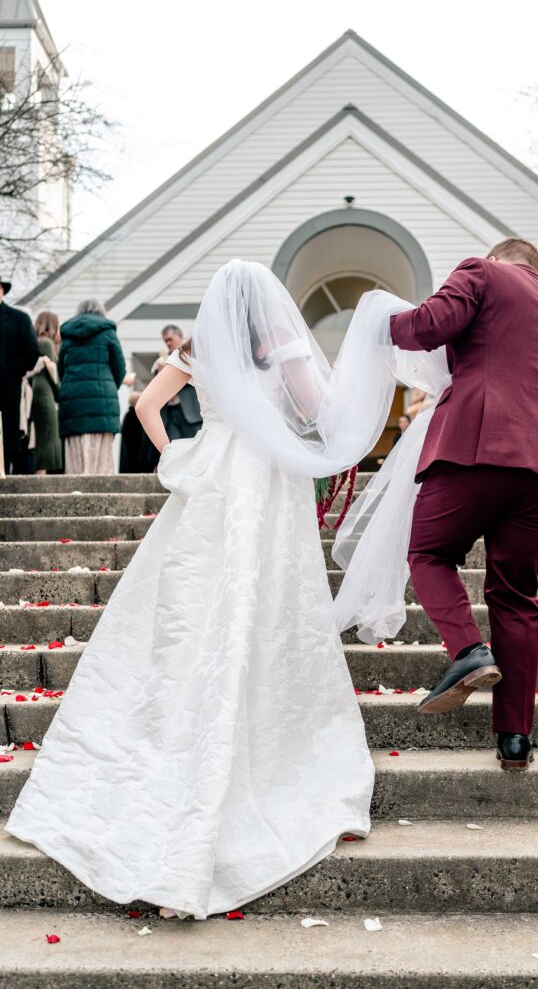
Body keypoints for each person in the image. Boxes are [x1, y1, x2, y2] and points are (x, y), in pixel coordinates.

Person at [8, 260, 408, 919]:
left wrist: (179, 455)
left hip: (212, 475)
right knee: (260, 602)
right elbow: (322, 414)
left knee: (192, 603)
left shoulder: (198, 350)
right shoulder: (278, 349)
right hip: (265, 479)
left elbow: (144, 405)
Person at [383, 238, 538, 771]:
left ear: (497, 259)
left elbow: (427, 325)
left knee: (427, 552)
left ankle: (469, 651)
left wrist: (381, 323)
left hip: (479, 447)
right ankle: (515, 739)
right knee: (516, 597)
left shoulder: (483, 273)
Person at [58, 299, 127, 475]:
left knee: (75, 456)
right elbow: (119, 368)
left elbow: (61, 370)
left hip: (73, 403)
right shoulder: (108, 332)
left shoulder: (68, 335)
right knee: (101, 457)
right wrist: (110, 386)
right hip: (102, 402)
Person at [0, 278, 40, 474]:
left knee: (7, 439)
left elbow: (31, 352)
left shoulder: (19, 319)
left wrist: (11, 372)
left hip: (7, 388)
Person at [153, 325, 202, 442]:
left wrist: (166, 369)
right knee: (173, 448)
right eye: (165, 341)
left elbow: (194, 378)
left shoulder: (190, 354)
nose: (168, 343)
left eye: (170, 339)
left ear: (180, 336)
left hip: (189, 411)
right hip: (169, 414)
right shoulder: (162, 359)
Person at [29, 311, 62, 475]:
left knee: (41, 435)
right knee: (47, 435)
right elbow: (52, 374)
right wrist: (60, 391)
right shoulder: (47, 343)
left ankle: (40, 473)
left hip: (36, 390)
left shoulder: (36, 342)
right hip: (45, 392)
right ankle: (41, 475)